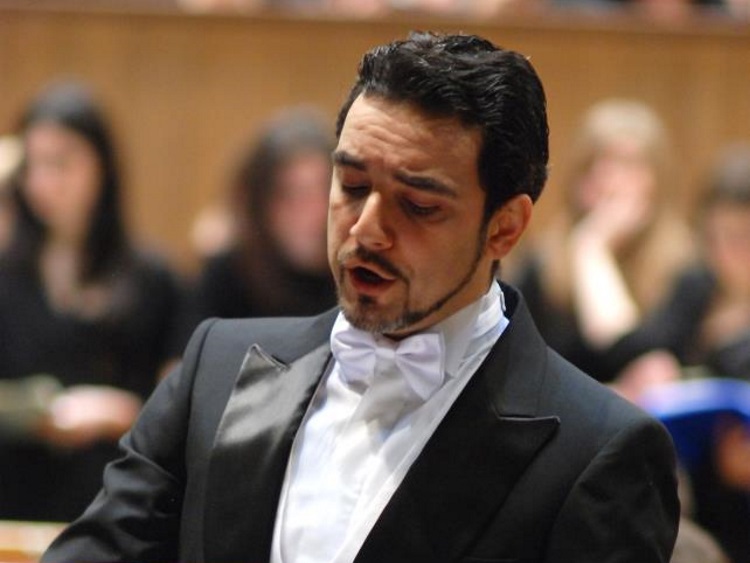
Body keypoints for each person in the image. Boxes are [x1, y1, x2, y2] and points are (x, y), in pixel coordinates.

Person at [42, 32, 679, 562]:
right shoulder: (216, 367)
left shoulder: (599, 452)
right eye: (349, 184)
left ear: (504, 227)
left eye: (418, 205)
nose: (366, 230)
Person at [0, 81, 188, 522]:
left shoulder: (153, 279)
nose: (43, 182)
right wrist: (41, 411)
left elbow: (180, 407)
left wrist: (121, 412)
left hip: (120, 504)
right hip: (16, 504)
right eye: (33, 165)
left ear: (101, 165)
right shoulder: (7, 274)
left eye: (61, 163)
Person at [612, 142, 750, 562]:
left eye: (742, 238)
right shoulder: (696, 288)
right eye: (716, 237)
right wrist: (646, 374)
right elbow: (633, 350)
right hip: (679, 499)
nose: (727, 254)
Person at [513, 98, 695, 388]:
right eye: (595, 165)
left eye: (628, 165)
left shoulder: (688, 269)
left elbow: (636, 359)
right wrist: (591, 245)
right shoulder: (542, 266)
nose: (610, 181)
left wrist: (593, 247)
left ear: (658, 182)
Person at [189, 106, 337, 323]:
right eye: (290, 194)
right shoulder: (228, 276)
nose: (316, 211)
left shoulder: (355, 271)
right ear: (260, 203)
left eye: (324, 191)